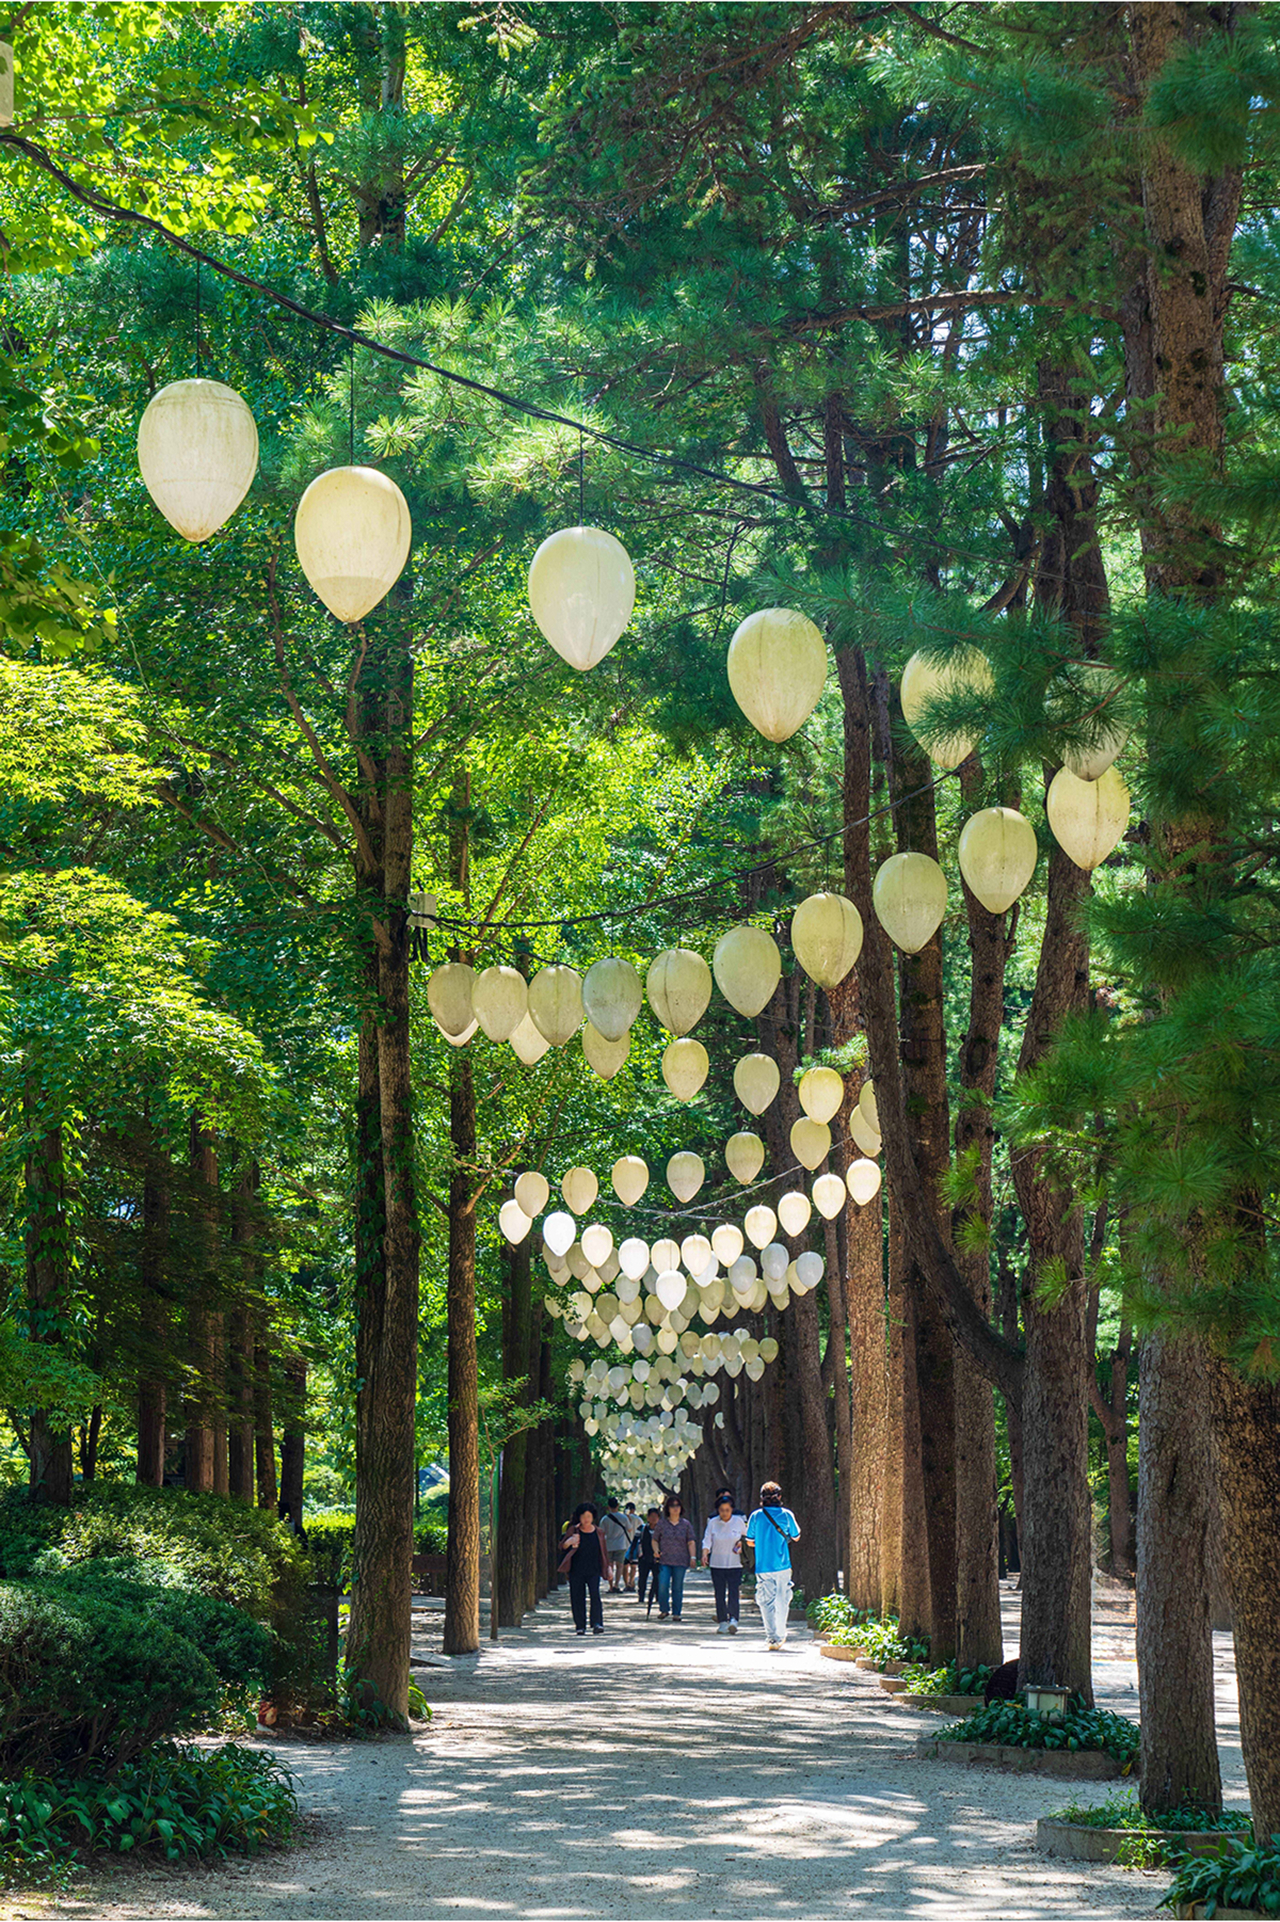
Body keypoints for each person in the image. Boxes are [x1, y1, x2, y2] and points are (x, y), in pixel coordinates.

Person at [742, 1480, 800, 1650]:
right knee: (782, 1600)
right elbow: (796, 1536)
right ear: (780, 1496)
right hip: (782, 1564)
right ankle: (781, 1635)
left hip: (763, 1565)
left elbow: (750, 1541)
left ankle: (771, 1637)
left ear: (761, 1498)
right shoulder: (787, 1515)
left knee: (766, 1601)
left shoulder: (756, 1516)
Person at [559, 1501, 612, 1636]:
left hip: (594, 1569)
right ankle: (580, 1625)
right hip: (576, 1569)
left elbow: (604, 1552)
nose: (586, 1519)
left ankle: (597, 1623)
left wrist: (608, 1568)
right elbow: (562, 1546)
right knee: (577, 1597)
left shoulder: (599, 1532)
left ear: (593, 1517)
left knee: (595, 1595)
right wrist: (569, 1541)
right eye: (583, 1516)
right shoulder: (573, 1530)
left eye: (588, 1516)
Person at [702, 1489, 746, 1633]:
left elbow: (748, 1539)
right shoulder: (713, 1523)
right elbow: (707, 1540)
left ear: (732, 1509)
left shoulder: (739, 1522)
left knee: (733, 1592)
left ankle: (734, 1619)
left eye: (727, 1510)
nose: (725, 1513)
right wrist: (704, 1554)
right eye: (722, 1510)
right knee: (719, 1593)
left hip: (735, 1564)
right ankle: (722, 1621)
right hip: (717, 1564)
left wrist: (741, 1543)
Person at [652, 1493, 697, 1621]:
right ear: (668, 1509)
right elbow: (655, 1540)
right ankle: (664, 1609)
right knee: (663, 1585)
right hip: (664, 1560)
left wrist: (693, 1557)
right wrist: (656, 1551)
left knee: (677, 1587)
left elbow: (691, 1541)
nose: (675, 1508)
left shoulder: (686, 1524)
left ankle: (677, 1612)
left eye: (677, 1505)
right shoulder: (662, 1524)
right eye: (672, 1506)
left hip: (681, 1560)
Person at [599, 1496, 635, 1592]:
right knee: (620, 1566)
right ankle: (616, 1585)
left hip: (609, 1545)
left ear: (608, 1507)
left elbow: (601, 1532)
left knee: (610, 1566)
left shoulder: (605, 1519)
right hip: (621, 1545)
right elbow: (630, 1529)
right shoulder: (623, 1517)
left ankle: (610, 1586)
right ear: (618, 1506)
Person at [636, 1506, 660, 1605]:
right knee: (642, 1578)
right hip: (644, 1558)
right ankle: (641, 1596)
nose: (653, 1518)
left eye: (656, 1516)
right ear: (648, 1517)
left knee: (657, 1578)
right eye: (651, 1516)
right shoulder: (642, 1529)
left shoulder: (661, 1530)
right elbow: (635, 1542)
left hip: (657, 1558)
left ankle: (657, 1597)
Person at [622, 1502, 641, 1592]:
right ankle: (631, 1582)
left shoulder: (623, 1519)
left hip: (624, 1544)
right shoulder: (638, 1519)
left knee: (625, 1566)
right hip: (635, 1545)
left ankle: (627, 1584)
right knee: (633, 1566)